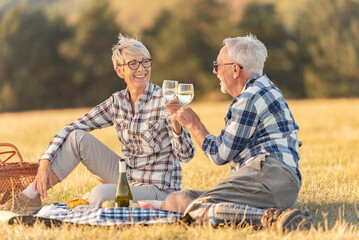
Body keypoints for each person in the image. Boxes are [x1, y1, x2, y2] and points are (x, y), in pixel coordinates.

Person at [1, 34, 195, 214]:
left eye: (145, 62)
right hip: (129, 178)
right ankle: (29, 197)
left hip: (159, 189)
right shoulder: (117, 102)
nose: (142, 69)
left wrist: (177, 125)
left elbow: (186, 155)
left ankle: (130, 202)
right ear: (120, 71)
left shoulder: (165, 100)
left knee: (98, 195)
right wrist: (45, 160)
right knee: (77, 138)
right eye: (133, 64)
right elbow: (73, 127)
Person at [164, 34, 312, 231]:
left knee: (196, 209)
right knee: (177, 200)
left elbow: (219, 154)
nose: (214, 71)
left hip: (269, 176)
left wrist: (194, 124)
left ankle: (274, 220)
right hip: (275, 181)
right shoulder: (264, 88)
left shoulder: (249, 98)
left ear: (234, 69)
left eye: (218, 65)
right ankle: (267, 214)